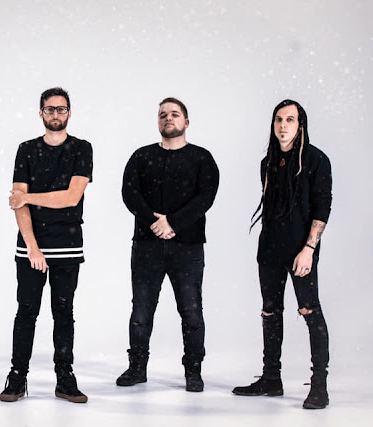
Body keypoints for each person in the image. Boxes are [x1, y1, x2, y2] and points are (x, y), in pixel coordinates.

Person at [232, 100, 332, 410]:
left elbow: (322, 207)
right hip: (270, 250)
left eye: (290, 119)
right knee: (270, 313)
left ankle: (319, 386)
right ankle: (271, 379)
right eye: (278, 119)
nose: (283, 125)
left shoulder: (316, 160)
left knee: (310, 311)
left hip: (301, 250)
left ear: (300, 125)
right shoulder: (268, 162)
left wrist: (309, 249)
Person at [117, 97, 219, 392]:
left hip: (187, 247)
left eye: (174, 114)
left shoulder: (202, 158)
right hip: (146, 246)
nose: (168, 118)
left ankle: (193, 371)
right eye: (163, 114)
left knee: (191, 311)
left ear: (186, 122)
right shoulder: (141, 156)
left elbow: (206, 197)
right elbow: (129, 193)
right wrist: (154, 222)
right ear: (157, 121)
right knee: (141, 311)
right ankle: (137, 367)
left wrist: (173, 222)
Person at [0, 88, 93, 403]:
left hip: (68, 245)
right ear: (41, 113)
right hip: (31, 247)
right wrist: (33, 247)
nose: (55, 114)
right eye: (49, 109)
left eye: (61, 109)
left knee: (63, 313)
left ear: (69, 113)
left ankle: (65, 378)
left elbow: (72, 197)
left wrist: (27, 196)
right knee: (26, 312)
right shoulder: (26, 150)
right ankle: (17, 377)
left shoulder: (81, 149)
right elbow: (18, 204)